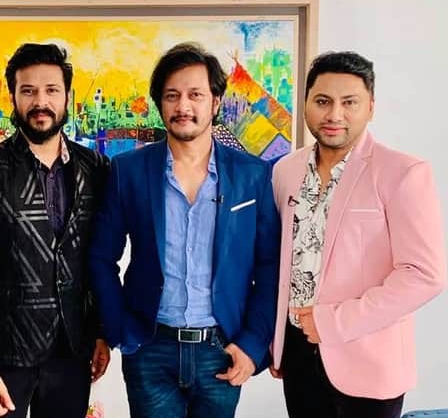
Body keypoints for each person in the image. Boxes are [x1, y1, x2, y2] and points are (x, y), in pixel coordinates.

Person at [88, 42, 280, 418]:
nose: (183, 106)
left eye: (195, 95)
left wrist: (253, 342)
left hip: (222, 349)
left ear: (216, 101)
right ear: (160, 103)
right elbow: (101, 256)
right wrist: (118, 328)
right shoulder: (128, 170)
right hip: (150, 348)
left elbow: (270, 264)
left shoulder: (252, 174)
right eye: (172, 96)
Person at [270, 51, 446, 418]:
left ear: (371, 107)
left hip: (368, 359)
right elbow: (281, 261)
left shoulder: (403, 172)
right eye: (323, 101)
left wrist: (333, 322)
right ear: (306, 104)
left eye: (349, 102)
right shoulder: (285, 170)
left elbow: (424, 274)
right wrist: (277, 341)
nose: (334, 114)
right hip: (298, 355)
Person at [0, 43, 111, 418]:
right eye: (29, 91)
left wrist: (102, 331)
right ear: (13, 97)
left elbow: (100, 261)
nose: (41, 102)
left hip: (73, 351)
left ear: (67, 96)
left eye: (52, 90)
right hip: (4, 356)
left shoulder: (95, 168)